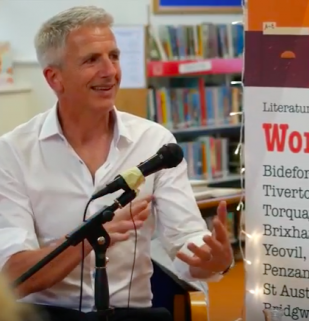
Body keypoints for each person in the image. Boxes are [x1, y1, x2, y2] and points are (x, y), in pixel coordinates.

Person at [0, 6, 234, 321]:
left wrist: (211, 259)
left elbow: (185, 243)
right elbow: (13, 277)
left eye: (114, 56)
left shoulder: (154, 142)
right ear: (54, 78)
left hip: (132, 315)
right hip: (47, 315)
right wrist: (91, 238)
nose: (110, 71)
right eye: (91, 60)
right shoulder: (13, 152)